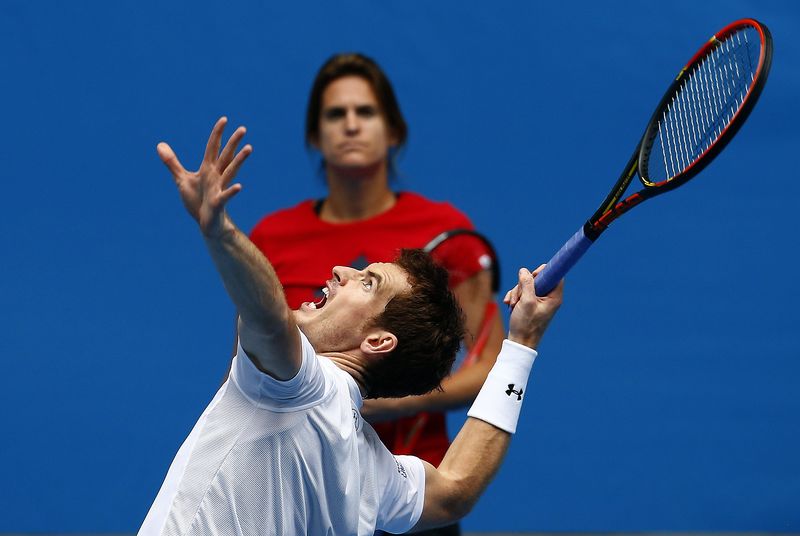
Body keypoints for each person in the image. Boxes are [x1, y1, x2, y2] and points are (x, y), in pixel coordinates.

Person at [139, 117, 563, 535]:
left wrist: (220, 231)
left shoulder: (305, 385)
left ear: (378, 341)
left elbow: (268, 316)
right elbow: (454, 490)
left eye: (368, 281)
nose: (342, 269)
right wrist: (523, 342)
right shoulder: (369, 469)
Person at [248, 55, 505, 535]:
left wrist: (397, 402)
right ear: (314, 136)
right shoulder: (273, 235)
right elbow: (248, 359)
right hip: (302, 497)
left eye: (365, 112)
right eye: (334, 114)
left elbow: (486, 366)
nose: (350, 125)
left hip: (410, 494)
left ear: (393, 132)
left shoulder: (445, 230)